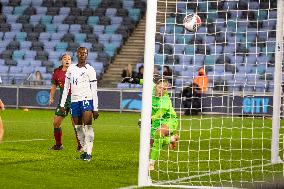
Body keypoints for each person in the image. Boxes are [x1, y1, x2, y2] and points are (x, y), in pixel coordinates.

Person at [122, 77, 179, 171]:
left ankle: (151, 163)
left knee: (159, 134)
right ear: (156, 86)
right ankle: (172, 139)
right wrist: (132, 80)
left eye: (165, 89)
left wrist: (147, 121)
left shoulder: (165, 100)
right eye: (160, 87)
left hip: (169, 120)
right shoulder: (151, 87)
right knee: (152, 143)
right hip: (156, 121)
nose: (162, 90)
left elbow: (159, 114)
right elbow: (145, 81)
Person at [60, 47, 99, 161]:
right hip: (74, 101)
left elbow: (94, 89)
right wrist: (62, 105)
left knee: (88, 125)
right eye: (81, 53)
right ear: (77, 54)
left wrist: (95, 108)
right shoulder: (71, 69)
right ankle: (85, 151)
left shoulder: (90, 69)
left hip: (87, 99)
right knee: (78, 128)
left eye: (85, 53)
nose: (83, 55)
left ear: (87, 55)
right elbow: (66, 87)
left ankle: (89, 153)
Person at [49, 53, 82, 151]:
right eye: (65, 58)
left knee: (75, 124)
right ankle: (58, 145)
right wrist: (51, 97)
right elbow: (54, 86)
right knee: (56, 123)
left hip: (74, 99)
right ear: (61, 61)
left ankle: (81, 146)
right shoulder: (57, 72)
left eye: (69, 59)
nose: (67, 60)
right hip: (63, 101)